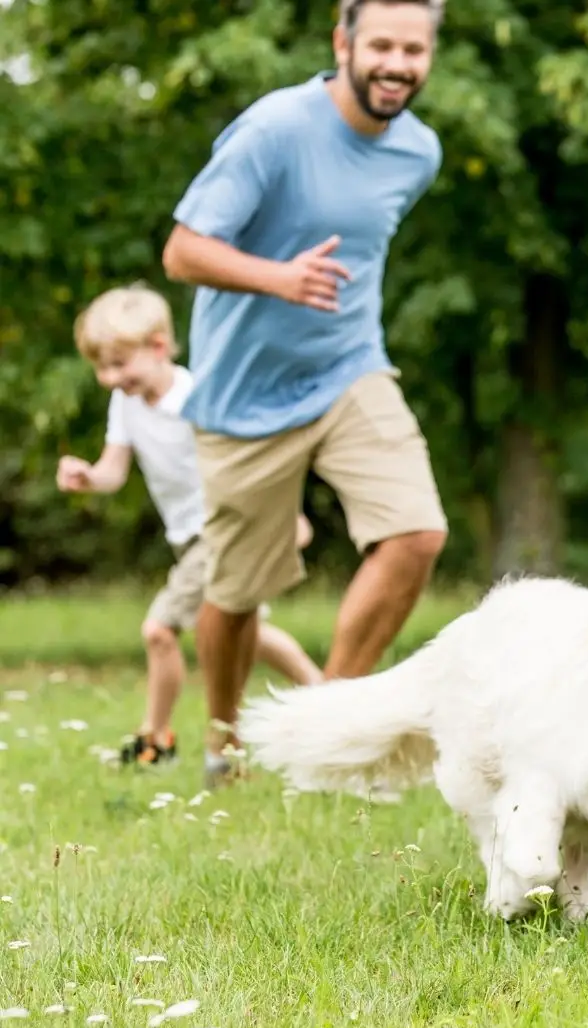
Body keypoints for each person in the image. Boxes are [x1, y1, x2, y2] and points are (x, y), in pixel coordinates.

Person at [161, 0, 448, 786]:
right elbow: (182, 251)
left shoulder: (418, 152)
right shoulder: (275, 130)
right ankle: (224, 745)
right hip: (242, 396)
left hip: (351, 368)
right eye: (382, 44)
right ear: (343, 43)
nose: (397, 63)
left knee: (416, 535)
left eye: (413, 49)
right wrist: (278, 277)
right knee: (235, 594)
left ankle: (325, 724)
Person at [58, 283, 323, 766]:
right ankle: (329, 698)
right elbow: (114, 471)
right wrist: (88, 477)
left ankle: (156, 739)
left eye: (118, 364)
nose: (108, 377)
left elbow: (250, 462)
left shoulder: (198, 397)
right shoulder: (127, 403)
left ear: (158, 347)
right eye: (100, 367)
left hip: (220, 528)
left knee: (159, 630)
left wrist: (286, 518)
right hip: (186, 538)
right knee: (245, 630)